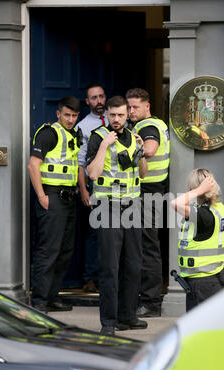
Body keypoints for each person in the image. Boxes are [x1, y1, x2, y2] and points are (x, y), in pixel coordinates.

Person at [86, 95, 148, 336]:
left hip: (132, 207)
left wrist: (141, 153)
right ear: (107, 115)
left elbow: (142, 174)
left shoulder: (133, 138)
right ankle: (109, 322)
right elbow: (92, 173)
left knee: (133, 264)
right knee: (110, 267)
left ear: (127, 114)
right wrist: (104, 147)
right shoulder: (98, 137)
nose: (117, 119)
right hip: (107, 208)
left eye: (121, 114)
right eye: (112, 115)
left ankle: (127, 316)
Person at [28, 96, 82, 313]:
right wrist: (41, 196)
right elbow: (33, 165)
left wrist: (82, 190)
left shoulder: (73, 134)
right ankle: (39, 301)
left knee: (64, 251)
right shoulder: (49, 133)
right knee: (48, 250)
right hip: (51, 197)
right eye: (67, 115)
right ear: (58, 114)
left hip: (68, 199)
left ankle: (52, 296)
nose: (70, 119)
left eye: (74, 116)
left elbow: (75, 165)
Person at [126, 88, 170, 318]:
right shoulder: (157, 124)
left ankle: (151, 303)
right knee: (145, 245)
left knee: (146, 247)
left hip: (147, 193)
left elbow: (150, 149)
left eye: (135, 107)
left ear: (147, 107)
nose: (131, 111)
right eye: (129, 107)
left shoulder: (148, 127)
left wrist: (139, 148)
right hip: (152, 192)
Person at [170, 168, 224, 312]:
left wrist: (198, 190)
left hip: (201, 283)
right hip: (218, 277)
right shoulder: (220, 209)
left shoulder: (203, 215)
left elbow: (175, 204)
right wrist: (223, 269)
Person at [77, 83, 108, 293]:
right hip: (95, 186)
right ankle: (90, 278)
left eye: (101, 96)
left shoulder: (117, 117)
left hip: (120, 187)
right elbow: (80, 162)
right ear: (87, 101)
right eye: (94, 98)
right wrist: (84, 190)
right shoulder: (83, 126)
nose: (99, 101)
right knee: (94, 234)